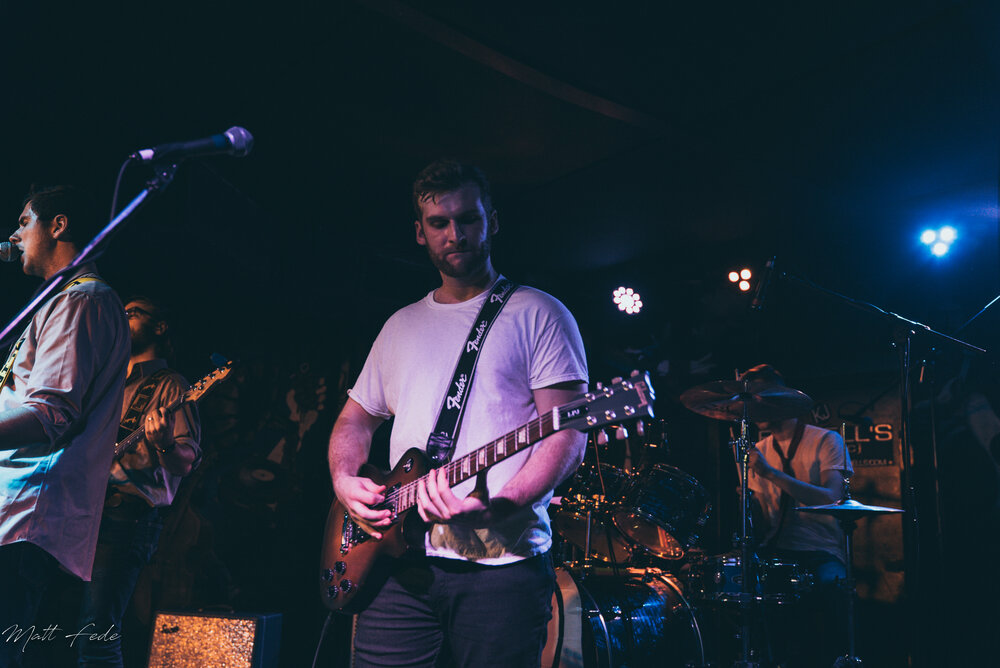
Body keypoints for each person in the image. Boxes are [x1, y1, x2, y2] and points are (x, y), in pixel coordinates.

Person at [327, 159, 588, 667]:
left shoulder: (539, 313)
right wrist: (343, 479)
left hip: (501, 567)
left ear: (492, 220)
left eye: (468, 219)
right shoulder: (400, 325)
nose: (456, 234)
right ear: (419, 233)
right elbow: (354, 419)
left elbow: (566, 434)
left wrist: (501, 505)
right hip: (396, 565)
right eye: (439, 223)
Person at [0, 186, 130, 667]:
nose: (14, 235)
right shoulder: (64, 300)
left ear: (58, 225)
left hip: (25, 517)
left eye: (24, 221)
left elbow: (50, 413)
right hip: (18, 512)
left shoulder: (84, 301)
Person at [76, 296, 201, 667]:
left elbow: (185, 462)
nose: (121, 317)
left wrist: (163, 443)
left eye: (131, 313)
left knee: (96, 636)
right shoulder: (105, 379)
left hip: (124, 519)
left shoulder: (171, 385)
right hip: (82, 512)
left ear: (159, 328)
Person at [743, 363, 852, 667]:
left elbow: (833, 498)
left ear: (778, 398)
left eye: (756, 400)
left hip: (821, 551)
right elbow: (762, 520)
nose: (750, 409)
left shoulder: (826, 440)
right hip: (775, 551)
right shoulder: (757, 450)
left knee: (831, 595)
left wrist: (770, 473)